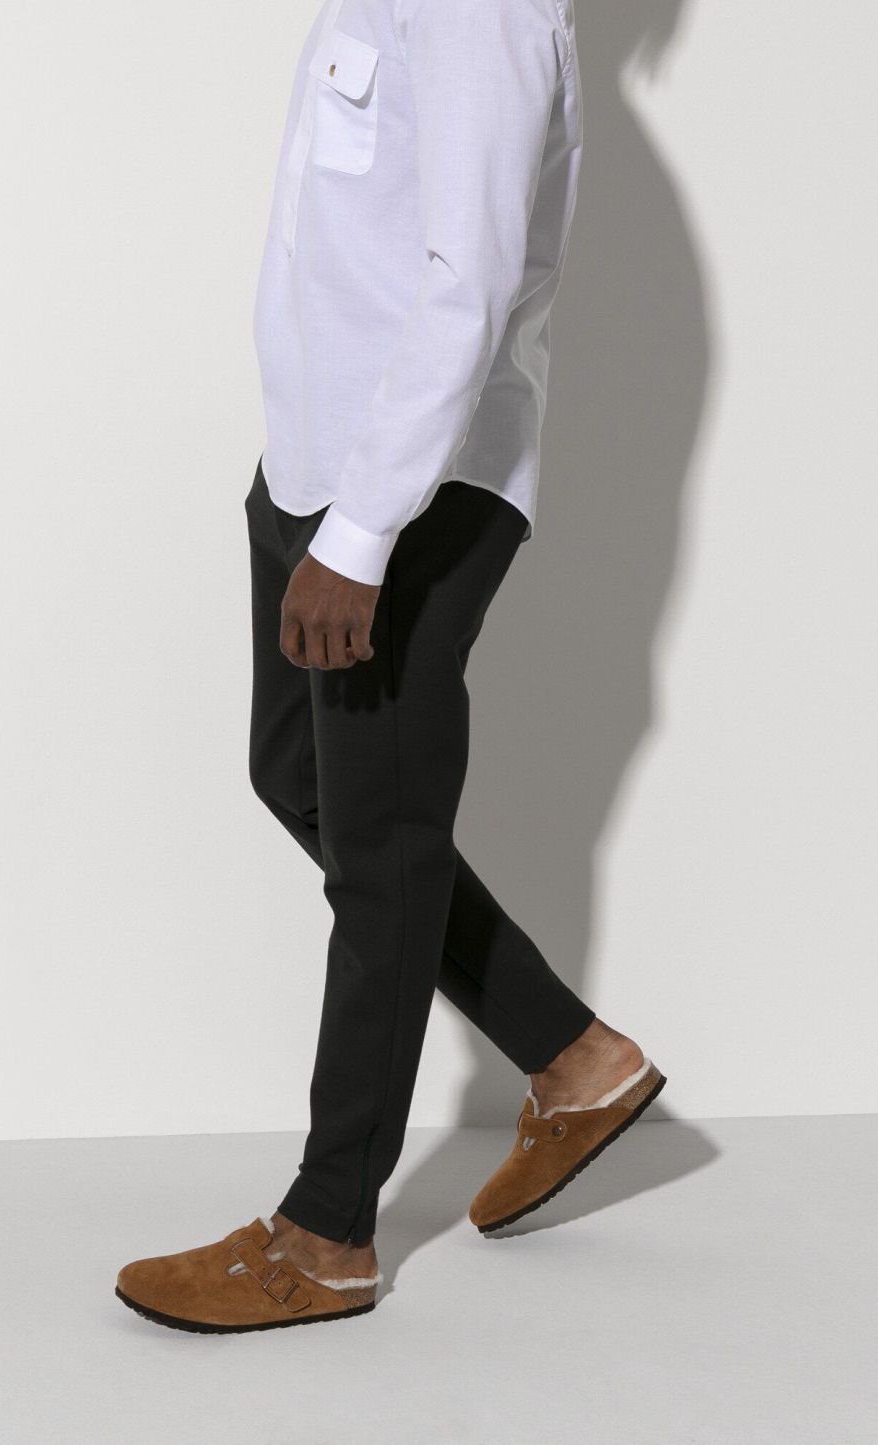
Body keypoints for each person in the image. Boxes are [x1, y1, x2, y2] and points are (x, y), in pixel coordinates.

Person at [115, 0, 663, 1334]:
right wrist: (303, 494)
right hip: (313, 461)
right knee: (297, 775)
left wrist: (361, 538)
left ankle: (325, 1235)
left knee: (381, 846)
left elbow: (467, 282)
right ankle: (576, 1060)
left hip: (408, 495)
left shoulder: (481, 9)